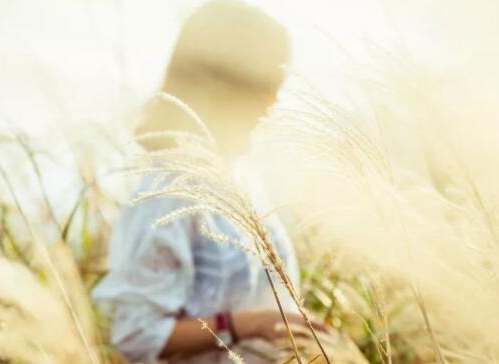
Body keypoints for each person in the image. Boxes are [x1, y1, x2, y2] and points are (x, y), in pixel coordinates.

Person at [93, 1, 325, 362]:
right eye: (264, 85)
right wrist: (244, 324)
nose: (273, 101)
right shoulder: (168, 190)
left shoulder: (241, 178)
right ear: (220, 84)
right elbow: (136, 335)